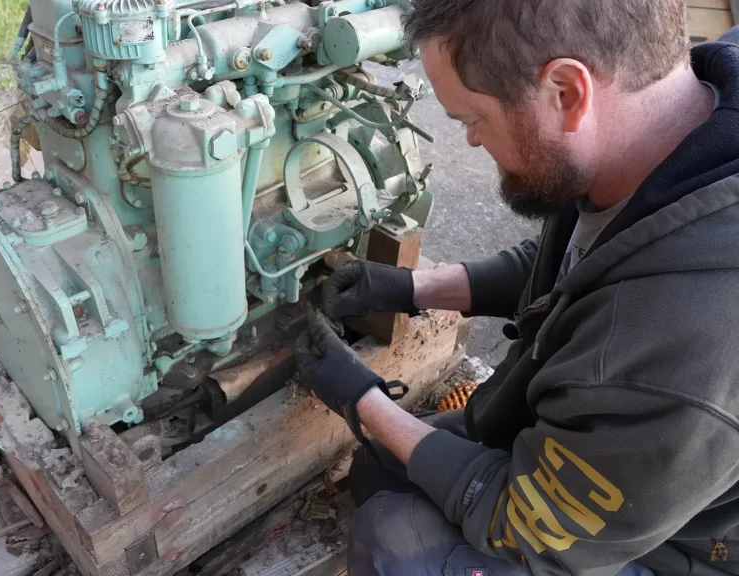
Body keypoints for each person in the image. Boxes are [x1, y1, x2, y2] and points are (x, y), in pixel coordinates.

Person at [293, 0, 739, 575]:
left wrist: (364, 403)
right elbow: (576, 259)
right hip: (634, 453)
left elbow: (525, 524)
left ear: (567, 92)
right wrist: (409, 287)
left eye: (473, 120)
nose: (472, 142)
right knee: (382, 465)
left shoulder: (680, 342)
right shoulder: (673, 130)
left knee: (396, 547)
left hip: (681, 546)